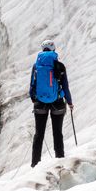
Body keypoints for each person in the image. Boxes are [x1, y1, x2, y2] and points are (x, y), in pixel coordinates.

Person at [29, 39, 73, 167]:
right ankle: (60, 161)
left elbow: (32, 84)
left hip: (40, 102)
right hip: (58, 102)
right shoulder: (60, 65)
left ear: (42, 50)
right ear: (53, 50)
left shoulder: (36, 66)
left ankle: (34, 164)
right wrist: (69, 102)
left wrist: (35, 99)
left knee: (39, 134)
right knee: (57, 132)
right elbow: (65, 86)